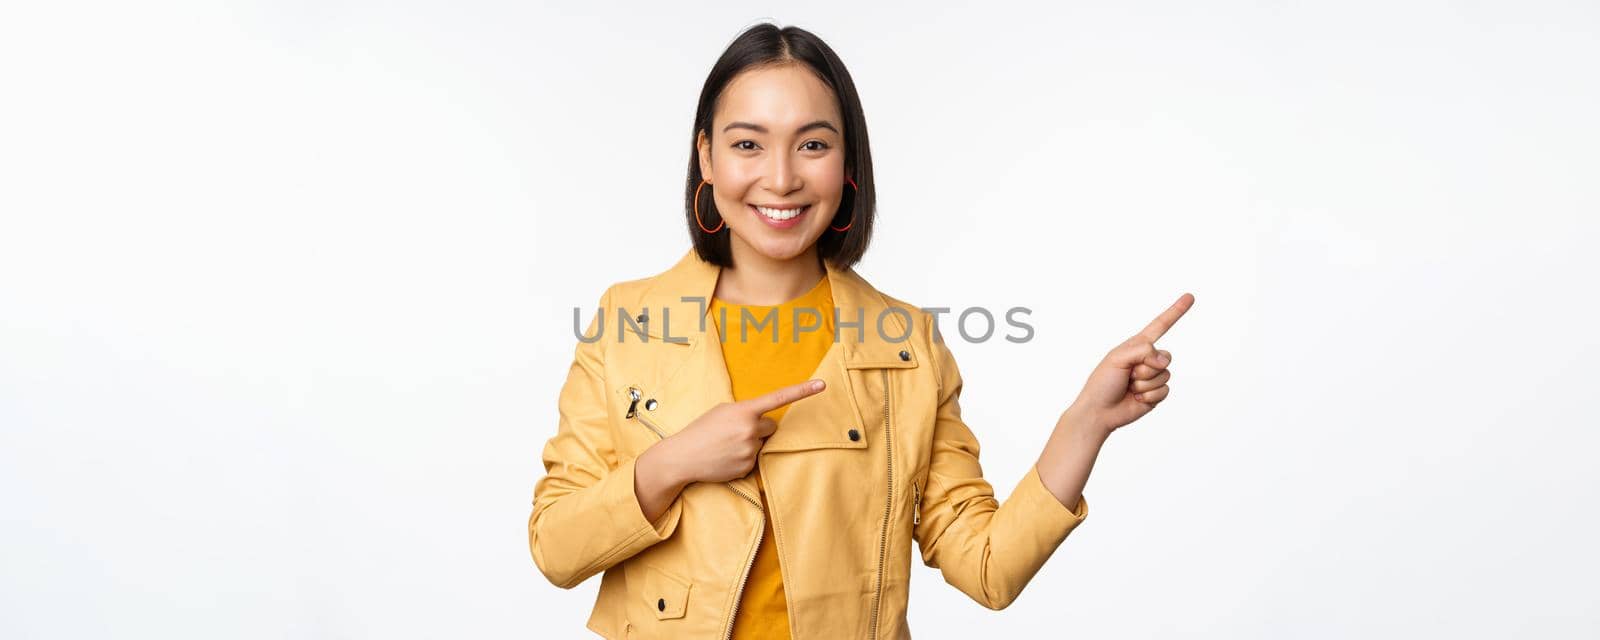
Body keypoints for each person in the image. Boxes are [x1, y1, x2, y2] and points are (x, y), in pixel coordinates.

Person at [528, 22, 1194, 639]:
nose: (782, 178)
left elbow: (986, 569)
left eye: (813, 144)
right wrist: (672, 462)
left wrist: (1086, 422)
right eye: (747, 144)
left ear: (847, 163)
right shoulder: (627, 325)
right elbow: (555, 549)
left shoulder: (906, 347)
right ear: (706, 157)